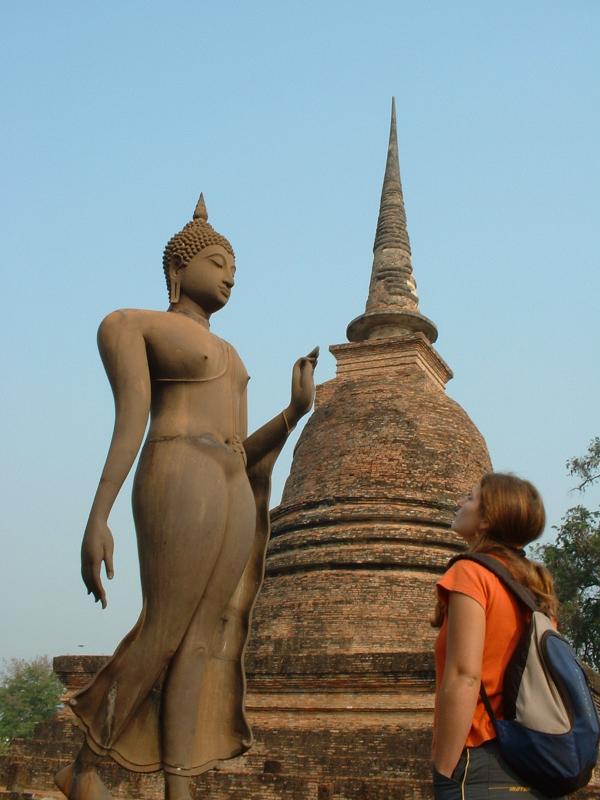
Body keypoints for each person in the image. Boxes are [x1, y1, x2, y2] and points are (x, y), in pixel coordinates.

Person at [55, 195, 318, 800]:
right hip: (178, 470)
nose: (229, 274)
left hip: (229, 485)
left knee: (202, 638)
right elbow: (130, 422)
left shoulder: (235, 356)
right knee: (165, 627)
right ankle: (85, 764)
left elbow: (244, 450)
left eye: (235, 267)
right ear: (180, 267)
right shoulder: (132, 324)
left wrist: (294, 412)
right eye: (219, 260)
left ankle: (180, 786)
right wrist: (98, 517)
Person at [431, 472, 561, 799]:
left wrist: (445, 771)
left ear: (486, 521)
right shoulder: (535, 590)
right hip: (533, 759)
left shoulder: (471, 573)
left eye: (471, 498)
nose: (460, 503)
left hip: (479, 756)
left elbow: (465, 676)